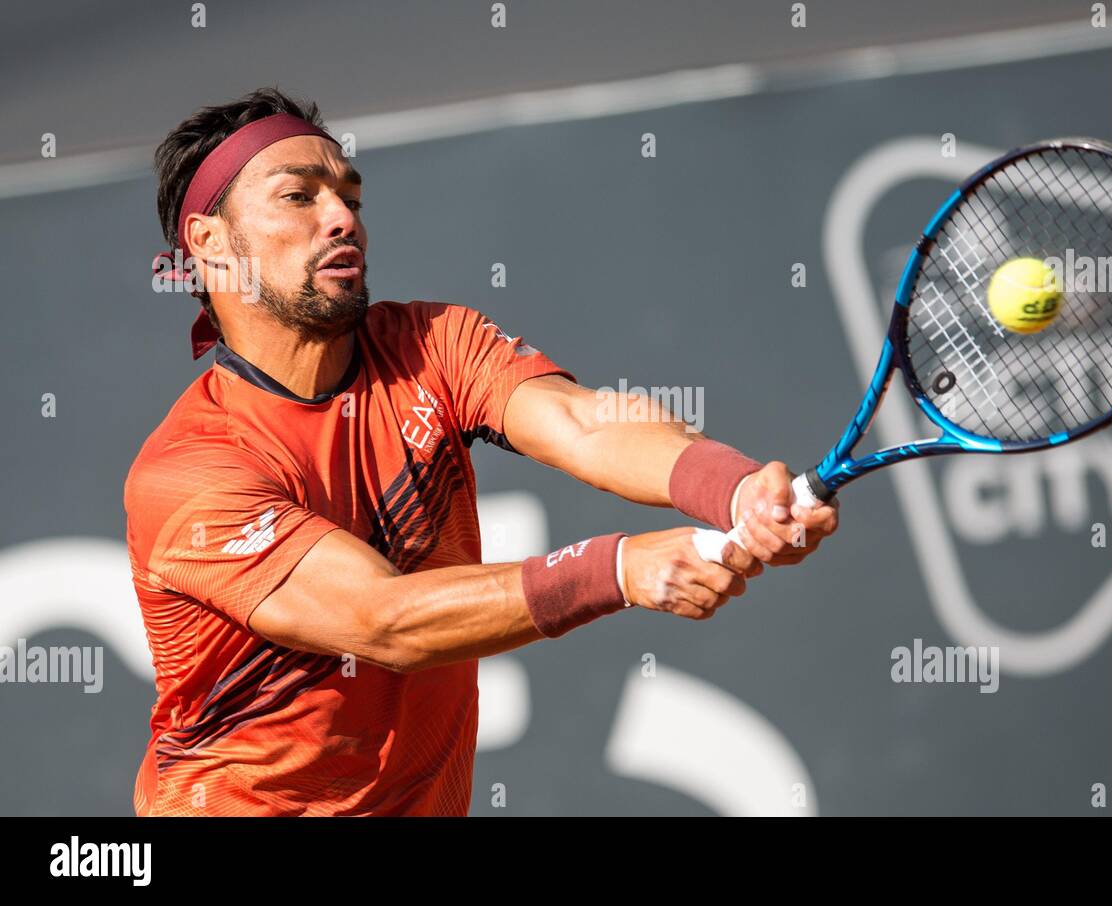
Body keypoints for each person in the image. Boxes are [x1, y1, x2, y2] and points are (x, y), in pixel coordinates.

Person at [126, 88, 839, 816]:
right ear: (208, 242)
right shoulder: (189, 471)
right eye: (298, 197)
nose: (342, 218)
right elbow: (382, 618)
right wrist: (618, 568)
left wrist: (734, 488)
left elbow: (585, 423)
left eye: (350, 198)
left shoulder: (433, 343)